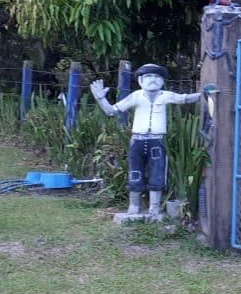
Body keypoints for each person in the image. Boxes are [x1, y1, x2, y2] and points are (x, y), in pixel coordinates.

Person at [90, 64, 210, 220]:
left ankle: (154, 208)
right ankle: (134, 206)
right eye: (148, 76)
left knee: (157, 172)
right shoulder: (136, 96)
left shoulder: (165, 95)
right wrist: (101, 98)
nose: (153, 80)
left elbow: (184, 98)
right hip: (137, 141)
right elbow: (111, 111)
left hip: (157, 140)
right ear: (140, 80)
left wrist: (204, 94)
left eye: (157, 77)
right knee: (135, 172)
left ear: (163, 81)